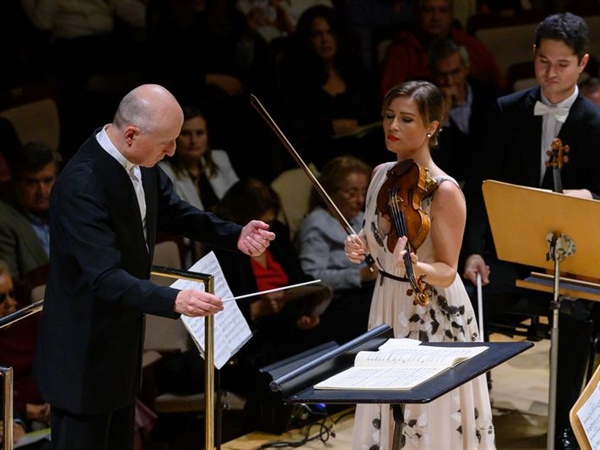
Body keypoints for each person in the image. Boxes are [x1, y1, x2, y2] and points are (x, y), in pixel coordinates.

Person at [31, 84, 275, 450]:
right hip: (82, 357)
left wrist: (235, 234)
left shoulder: (141, 161)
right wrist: (174, 300)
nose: (172, 151)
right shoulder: (81, 184)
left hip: (121, 348)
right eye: (167, 142)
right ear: (131, 134)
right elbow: (104, 277)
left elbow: (174, 212)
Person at [461, 12, 600, 450]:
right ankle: (475, 410)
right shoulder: (505, 111)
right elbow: (481, 187)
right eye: (543, 62)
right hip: (510, 254)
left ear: (582, 63)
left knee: (576, 319)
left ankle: (565, 425)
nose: (551, 73)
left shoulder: (597, 125)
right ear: (533, 56)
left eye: (562, 64)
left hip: (574, 265)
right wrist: (474, 251)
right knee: (470, 299)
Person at [344, 80, 495, 449]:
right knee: (389, 411)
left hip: (430, 307)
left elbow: (447, 270)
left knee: (432, 421)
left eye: (406, 119)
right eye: (389, 116)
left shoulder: (444, 190)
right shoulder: (380, 174)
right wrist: (360, 245)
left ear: (431, 127)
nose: (392, 126)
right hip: (387, 299)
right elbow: (376, 241)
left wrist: (417, 266)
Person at [277, 4, 383, 169]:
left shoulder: (356, 72)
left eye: (330, 32)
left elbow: (375, 112)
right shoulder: (296, 79)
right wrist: (329, 127)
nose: (325, 39)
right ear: (307, 39)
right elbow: (291, 125)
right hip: (321, 157)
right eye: (317, 34)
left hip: (363, 151)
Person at [296, 155, 378, 345]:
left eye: (363, 192)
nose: (359, 199)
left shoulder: (360, 218)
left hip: (364, 292)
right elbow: (312, 276)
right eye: (351, 192)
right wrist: (359, 276)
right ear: (330, 193)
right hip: (336, 303)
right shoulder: (316, 224)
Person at [379, 0, 506, 98]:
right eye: (429, 11)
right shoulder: (401, 50)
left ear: (451, 15)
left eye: (442, 10)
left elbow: (499, 85)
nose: (436, 17)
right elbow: (390, 98)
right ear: (418, 14)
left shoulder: (469, 44)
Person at [428, 38, 502, 186]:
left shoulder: (491, 96)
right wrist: (443, 118)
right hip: (451, 185)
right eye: (442, 75)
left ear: (466, 67)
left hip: (493, 181)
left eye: (455, 72)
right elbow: (437, 161)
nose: (449, 81)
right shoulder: (427, 106)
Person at [0, 260, 51, 435]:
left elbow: (55, 362)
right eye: (1, 298)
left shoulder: (28, 318)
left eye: (11, 293)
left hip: (52, 406)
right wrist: (27, 411)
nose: (10, 303)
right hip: (17, 418)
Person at [158, 105, 239, 212]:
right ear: (174, 137)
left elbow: (239, 199)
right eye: (186, 134)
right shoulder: (163, 169)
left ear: (207, 135)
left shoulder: (220, 158)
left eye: (199, 133)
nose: (194, 141)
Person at [0, 142, 61, 281]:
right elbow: (11, 286)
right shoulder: (4, 221)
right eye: (32, 182)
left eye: (48, 181)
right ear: (15, 183)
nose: (42, 191)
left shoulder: (67, 208)